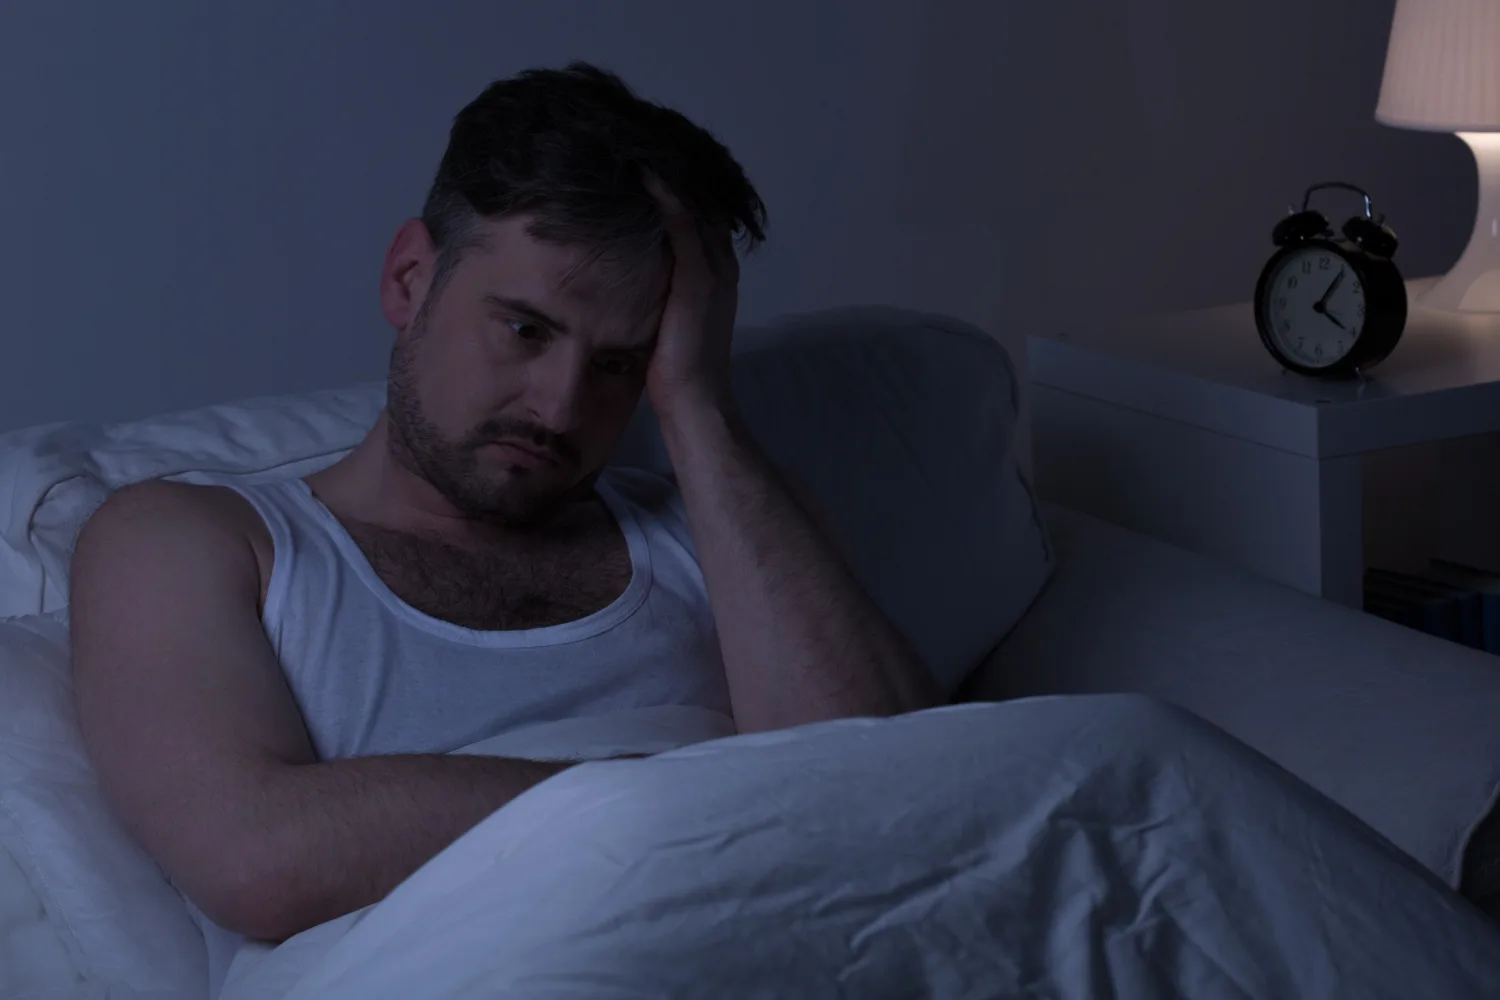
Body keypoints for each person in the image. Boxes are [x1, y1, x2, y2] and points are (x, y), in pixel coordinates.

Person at [67, 62, 940, 994]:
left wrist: (694, 406)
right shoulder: (189, 539)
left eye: (619, 364)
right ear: (410, 278)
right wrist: (710, 800)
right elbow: (259, 858)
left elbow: (911, 801)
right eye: (526, 331)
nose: (561, 408)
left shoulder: (729, 529)